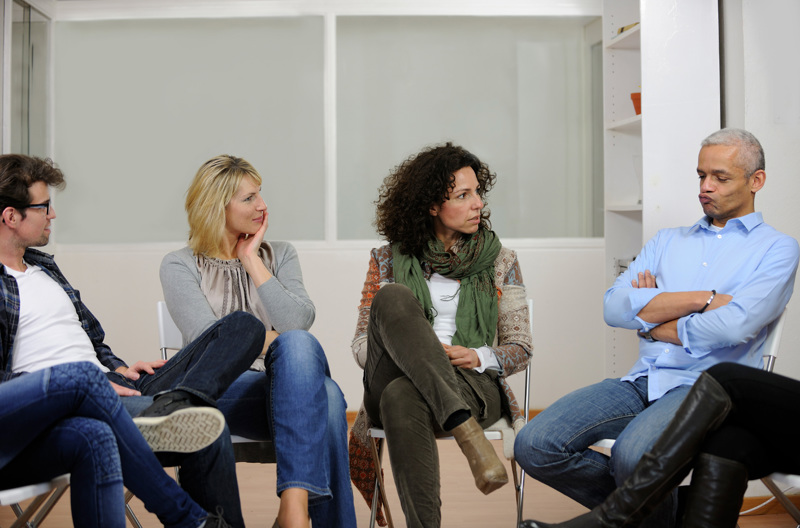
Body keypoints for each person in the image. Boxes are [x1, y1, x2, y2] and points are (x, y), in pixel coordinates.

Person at [514, 128, 799, 527]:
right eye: (701, 175)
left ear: (757, 181)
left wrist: (651, 318)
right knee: (535, 444)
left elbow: (734, 328)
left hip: (704, 388)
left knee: (633, 456)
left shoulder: (777, 248)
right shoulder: (666, 241)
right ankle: (670, 515)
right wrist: (702, 299)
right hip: (641, 378)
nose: (705, 187)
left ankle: (642, 514)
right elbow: (613, 308)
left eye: (720, 177)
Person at [0, 153, 266, 527]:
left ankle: (176, 401)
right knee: (205, 424)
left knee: (242, 326)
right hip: (70, 398)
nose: (53, 215)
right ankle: (192, 509)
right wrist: (93, 384)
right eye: (44, 207)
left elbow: (89, 340)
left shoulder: (45, 269)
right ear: (11, 217)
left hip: (117, 385)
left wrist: (116, 368)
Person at [159, 154, 356, 528]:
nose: (262, 205)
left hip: (286, 389)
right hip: (222, 392)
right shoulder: (179, 265)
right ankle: (298, 511)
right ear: (216, 206)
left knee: (307, 362)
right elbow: (212, 343)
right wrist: (273, 338)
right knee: (322, 391)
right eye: (249, 198)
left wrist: (251, 259)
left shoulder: (279, 254)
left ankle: (293, 506)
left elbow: (298, 321)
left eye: (260, 194)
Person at [347, 142, 532, 528]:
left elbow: (520, 348)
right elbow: (363, 348)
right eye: (462, 196)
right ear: (432, 206)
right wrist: (413, 350)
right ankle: (468, 435)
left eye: (477, 192)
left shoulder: (501, 260)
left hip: (471, 382)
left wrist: (479, 356)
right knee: (394, 299)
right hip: (393, 371)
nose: (477, 203)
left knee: (403, 395)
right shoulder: (386, 259)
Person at [519, 361, 800, 528]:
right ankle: (662, 510)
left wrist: (664, 313)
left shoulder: (764, 258)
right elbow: (618, 306)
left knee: (726, 376)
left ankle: (611, 518)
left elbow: (734, 326)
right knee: (731, 443)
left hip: (696, 383)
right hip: (647, 376)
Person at [0, 361, 230, 528]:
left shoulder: (66, 295)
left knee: (95, 435)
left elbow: (98, 344)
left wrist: (119, 369)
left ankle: (191, 519)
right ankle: (189, 519)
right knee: (85, 378)